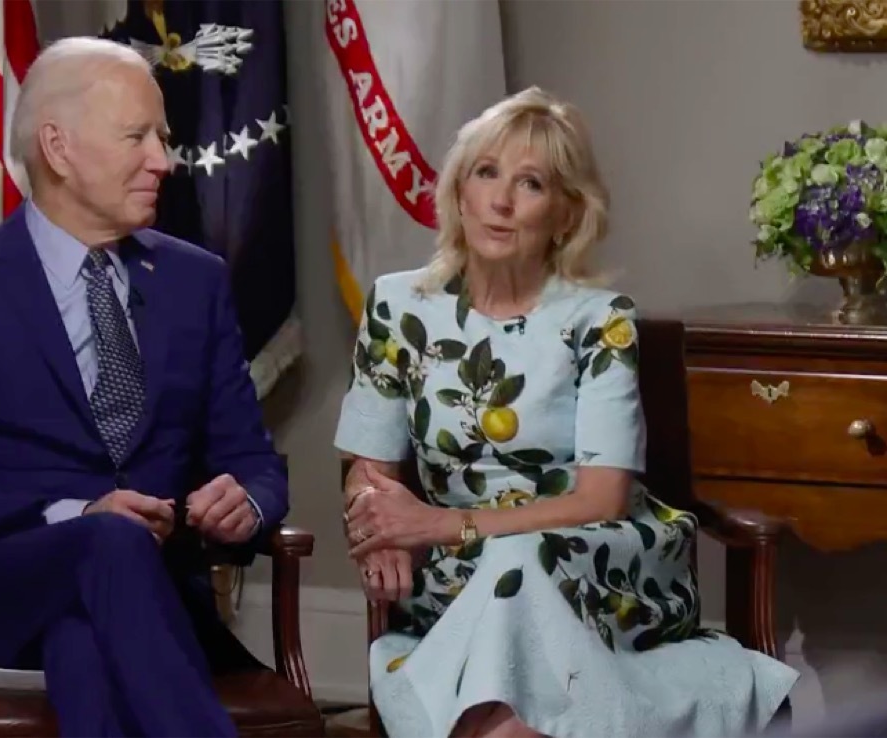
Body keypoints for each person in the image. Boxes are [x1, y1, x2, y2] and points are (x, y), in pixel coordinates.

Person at [333, 86, 799, 738]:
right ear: (459, 192)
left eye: (530, 184)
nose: (500, 201)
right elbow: (367, 462)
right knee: (509, 620)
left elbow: (602, 498)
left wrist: (439, 523)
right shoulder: (399, 306)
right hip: (457, 568)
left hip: (595, 559)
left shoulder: (598, 320)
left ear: (565, 215)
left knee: (516, 564)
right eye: (486, 173)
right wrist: (373, 518)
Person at [0, 37, 288, 738]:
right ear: (58, 149)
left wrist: (246, 502)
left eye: (162, 136)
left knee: (81, 640)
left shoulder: (197, 282)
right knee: (104, 543)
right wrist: (77, 512)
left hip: (144, 596)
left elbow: (253, 462)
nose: (164, 159)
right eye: (137, 137)